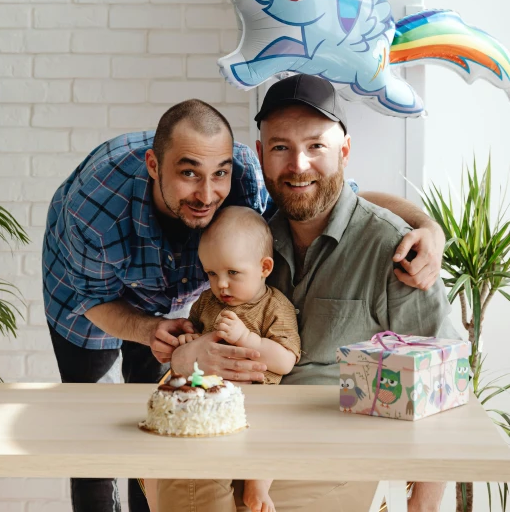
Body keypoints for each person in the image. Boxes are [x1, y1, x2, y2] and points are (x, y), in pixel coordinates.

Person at [43, 96, 445, 512]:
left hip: (263, 396)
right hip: (91, 291)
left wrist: (427, 226)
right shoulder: (93, 210)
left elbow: (349, 200)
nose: (206, 193)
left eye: (218, 174)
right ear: (153, 166)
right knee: (90, 420)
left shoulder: (254, 186)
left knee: (154, 406)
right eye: (187, 174)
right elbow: (89, 295)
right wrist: (151, 332)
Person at [162, 75, 455, 512]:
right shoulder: (244, 239)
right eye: (280, 147)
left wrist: (424, 507)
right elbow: (185, 348)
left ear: (345, 151)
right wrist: (188, 355)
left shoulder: (394, 251)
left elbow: (443, 382)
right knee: (179, 487)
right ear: (260, 155)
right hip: (228, 426)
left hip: (332, 443)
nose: (298, 164)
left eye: (316, 146)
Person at [143, 205, 300, 512]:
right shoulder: (206, 303)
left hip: (258, 397)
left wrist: (247, 339)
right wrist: (190, 340)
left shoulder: (274, 307)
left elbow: (285, 361)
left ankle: (257, 486)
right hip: (209, 398)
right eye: (212, 273)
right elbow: (194, 339)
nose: (221, 284)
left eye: (233, 273)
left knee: (266, 435)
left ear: (265, 267)